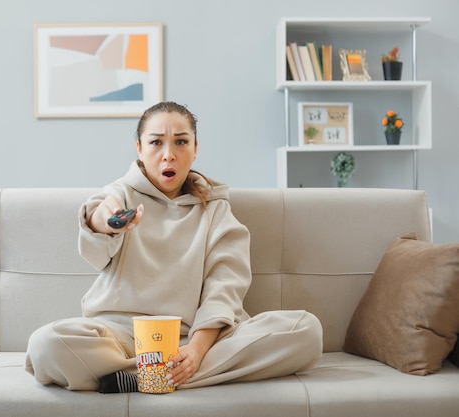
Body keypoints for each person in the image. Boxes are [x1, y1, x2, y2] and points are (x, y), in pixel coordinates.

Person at [25, 101, 323, 393]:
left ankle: (138, 378)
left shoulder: (216, 209)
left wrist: (195, 351)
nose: (169, 155)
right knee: (46, 344)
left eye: (181, 142)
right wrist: (108, 221)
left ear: (195, 149)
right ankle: (160, 376)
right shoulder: (120, 194)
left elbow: (224, 289)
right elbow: (98, 217)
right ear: (139, 149)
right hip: (123, 336)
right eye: (156, 143)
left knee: (306, 331)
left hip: (197, 337)